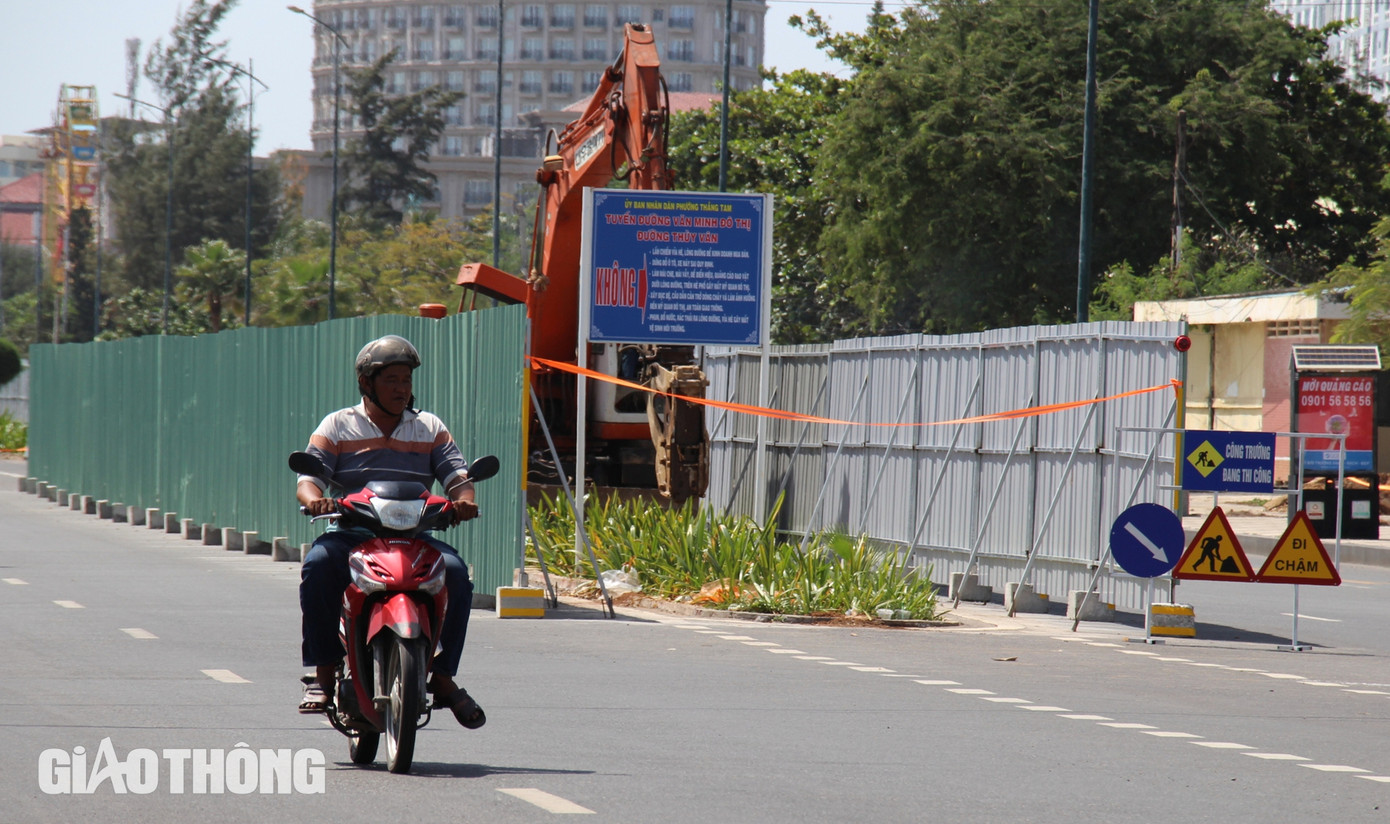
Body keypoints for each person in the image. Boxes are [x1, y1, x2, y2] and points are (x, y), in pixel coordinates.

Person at [295, 335, 485, 729]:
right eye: (392, 380)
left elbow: (457, 477)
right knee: (317, 565)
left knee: (456, 575)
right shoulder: (338, 425)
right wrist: (315, 498)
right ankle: (324, 674)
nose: (402, 388)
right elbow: (309, 478)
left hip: (416, 535)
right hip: (351, 533)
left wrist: (463, 498)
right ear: (367, 383)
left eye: (406, 380)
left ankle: (444, 676)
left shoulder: (428, 427)